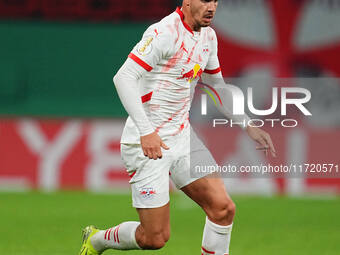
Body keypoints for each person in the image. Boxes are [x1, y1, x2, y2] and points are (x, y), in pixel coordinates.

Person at [79, 0, 276, 254]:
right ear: (187, 1)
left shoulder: (209, 36)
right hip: (149, 143)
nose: (212, 7)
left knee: (222, 208)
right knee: (154, 238)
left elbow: (217, 87)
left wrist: (248, 125)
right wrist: (146, 131)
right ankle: (97, 239)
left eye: (216, 1)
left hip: (183, 138)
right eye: (205, 0)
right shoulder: (163, 33)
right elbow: (124, 77)